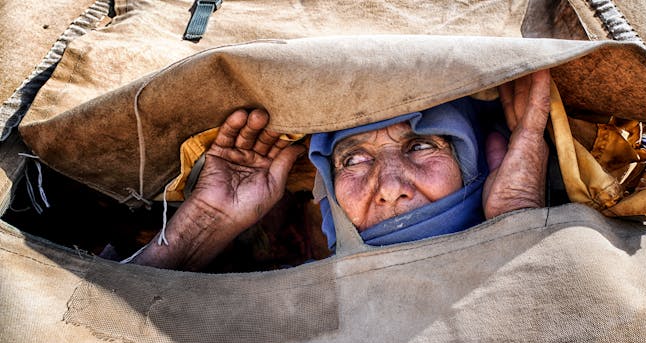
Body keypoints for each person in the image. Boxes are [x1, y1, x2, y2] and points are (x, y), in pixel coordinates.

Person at [128, 70, 550, 271]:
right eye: (354, 159)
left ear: (481, 160)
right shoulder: (282, 311)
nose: (389, 188)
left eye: (421, 146)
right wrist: (206, 223)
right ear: (324, 191)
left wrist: (518, 221)